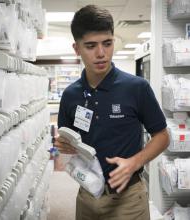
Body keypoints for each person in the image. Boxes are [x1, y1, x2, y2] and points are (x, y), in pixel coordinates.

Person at [54, 4, 169, 220]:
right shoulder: (71, 95)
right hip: (87, 195)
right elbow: (67, 140)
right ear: (76, 48)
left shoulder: (136, 88)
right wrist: (63, 145)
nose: (101, 53)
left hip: (129, 200)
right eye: (90, 46)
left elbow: (162, 137)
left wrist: (134, 162)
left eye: (107, 44)